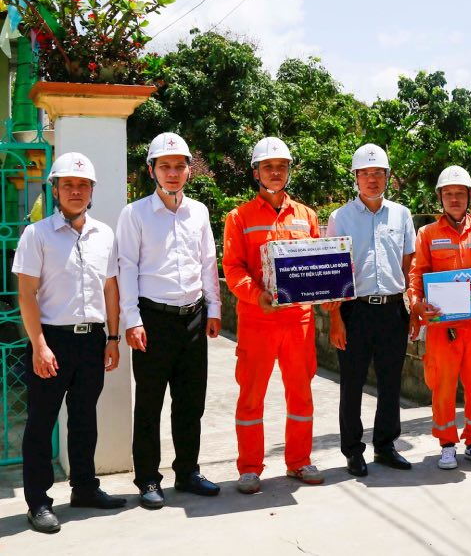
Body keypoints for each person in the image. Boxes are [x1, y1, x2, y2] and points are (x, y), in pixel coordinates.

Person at [14, 153, 126, 533]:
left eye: (82, 186)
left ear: (91, 192)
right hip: (52, 339)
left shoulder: (104, 234)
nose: (75, 192)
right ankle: (39, 502)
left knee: (84, 419)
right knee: (41, 423)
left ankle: (85, 488)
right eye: (68, 186)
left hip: (92, 340)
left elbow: (110, 288)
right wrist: (40, 345)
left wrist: (112, 338)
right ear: (56, 190)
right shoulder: (37, 234)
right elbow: (26, 295)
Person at [116, 132, 222, 509]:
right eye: (165, 166)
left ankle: (188, 471)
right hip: (153, 319)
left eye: (179, 166)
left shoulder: (199, 212)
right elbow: (125, 267)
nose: (173, 173)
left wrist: (214, 309)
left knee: (190, 402)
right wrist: (131, 319)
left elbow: (208, 262)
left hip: (193, 317)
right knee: (149, 403)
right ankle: (147, 478)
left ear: (189, 171)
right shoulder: (135, 214)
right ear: (152, 171)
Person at [222, 137, 323, 493]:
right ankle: (249, 467)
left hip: (298, 320)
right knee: (251, 394)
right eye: (268, 167)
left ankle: (299, 461)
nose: (276, 172)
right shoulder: (239, 218)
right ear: (256, 172)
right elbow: (232, 268)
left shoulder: (307, 216)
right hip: (257, 319)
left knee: (301, 394)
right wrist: (256, 295)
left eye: (281, 166)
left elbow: (319, 263)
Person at [408, 166, 471, 470]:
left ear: (469, 197)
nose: (454, 198)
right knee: (443, 386)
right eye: (448, 193)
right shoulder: (427, 234)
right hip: (444, 329)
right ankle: (447, 444)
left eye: (459, 193)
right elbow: (417, 276)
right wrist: (416, 304)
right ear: (440, 197)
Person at [326, 144, 416, 477]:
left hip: (392, 310)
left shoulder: (401, 215)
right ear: (356, 178)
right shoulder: (341, 217)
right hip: (355, 311)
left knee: (391, 382)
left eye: (378, 173)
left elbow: (409, 261)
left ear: (387, 177)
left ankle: (386, 446)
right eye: (365, 173)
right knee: (352, 384)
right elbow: (332, 272)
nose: (372, 179)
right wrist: (335, 317)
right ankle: (353, 450)